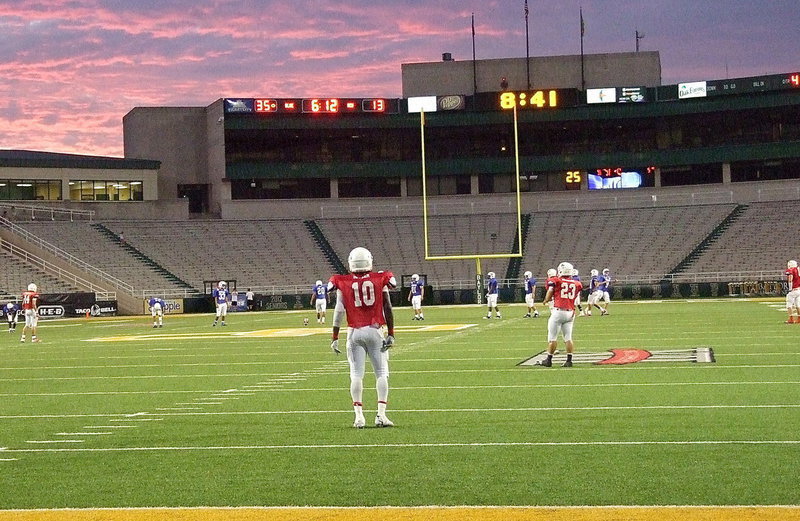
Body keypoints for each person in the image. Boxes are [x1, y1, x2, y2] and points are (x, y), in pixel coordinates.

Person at [328, 247, 396, 429]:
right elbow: (387, 308)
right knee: (381, 373)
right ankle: (381, 414)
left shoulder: (343, 282)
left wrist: (335, 336)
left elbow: (339, 311)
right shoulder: (379, 279)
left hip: (354, 332)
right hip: (375, 330)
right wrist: (391, 333)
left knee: (356, 375)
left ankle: (359, 417)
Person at [541, 262, 582, 368]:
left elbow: (550, 290)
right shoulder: (576, 283)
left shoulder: (556, 280)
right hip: (570, 312)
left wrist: (546, 299)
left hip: (558, 311)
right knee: (568, 337)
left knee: (552, 338)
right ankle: (569, 360)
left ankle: (549, 360)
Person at [785, 260, 800, 324]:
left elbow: (790, 278)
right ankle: (799, 319)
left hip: (793, 290)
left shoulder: (791, 270)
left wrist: (790, 288)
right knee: (798, 305)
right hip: (799, 289)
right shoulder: (798, 269)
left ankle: (791, 319)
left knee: (789, 304)